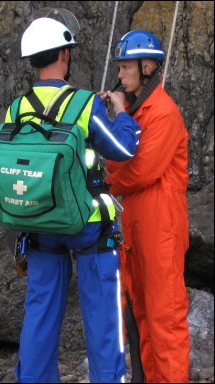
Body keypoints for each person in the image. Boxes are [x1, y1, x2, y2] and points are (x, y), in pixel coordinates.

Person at [4, 16, 141, 383]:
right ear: (65, 55)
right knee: (102, 317)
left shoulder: (16, 109)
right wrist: (123, 114)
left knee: (40, 311)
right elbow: (122, 150)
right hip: (88, 225)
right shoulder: (83, 104)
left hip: (38, 222)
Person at [102, 30, 190, 383]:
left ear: (148, 66)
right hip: (137, 228)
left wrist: (100, 185)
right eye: (120, 68)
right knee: (142, 316)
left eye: (126, 68)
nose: (120, 75)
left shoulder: (163, 112)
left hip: (161, 232)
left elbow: (139, 171)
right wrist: (112, 118)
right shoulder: (137, 113)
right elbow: (117, 161)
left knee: (164, 320)